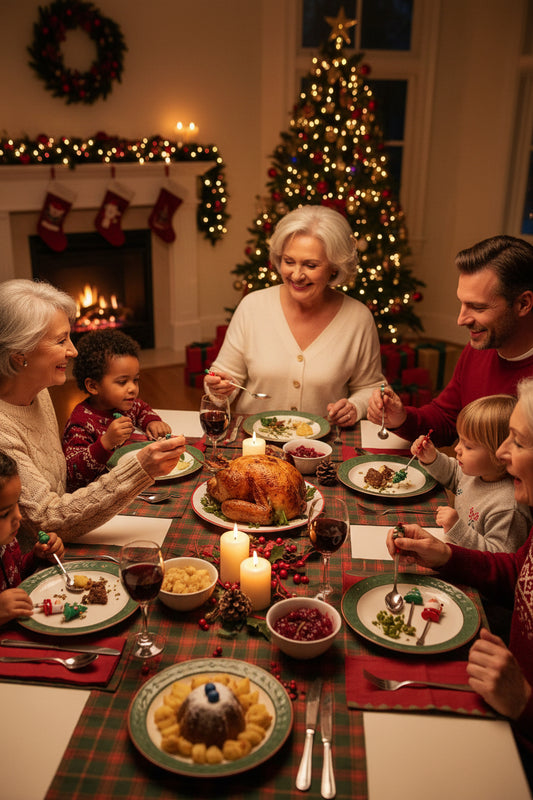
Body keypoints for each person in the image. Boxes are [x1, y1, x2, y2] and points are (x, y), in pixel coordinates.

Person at [386, 376, 533, 785]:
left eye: (517, 442)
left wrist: (523, 701)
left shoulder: (511, 508)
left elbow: (501, 556)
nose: (504, 453)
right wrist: (446, 554)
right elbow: (514, 569)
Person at [0, 279, 185, 543]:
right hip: (41, 559)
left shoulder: (37, 390)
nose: (73, 350)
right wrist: (139, 469)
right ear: (20, 354)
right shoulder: (3, 431)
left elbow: (60, 482)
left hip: (76, 515)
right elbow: (47, 520)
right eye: (61, 340)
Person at [205, 205, 384, 426]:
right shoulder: (252, 306)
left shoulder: (358, 318)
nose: (296, 275)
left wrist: (356, 407)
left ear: (334, 267)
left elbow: (371, 388)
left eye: (311, 265)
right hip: (255, 446)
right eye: (289, 262)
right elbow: (224, 378)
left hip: (322, 448)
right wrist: (220, 388)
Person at [367, 235, 533, 446]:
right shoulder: (478, 349)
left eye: (478, 307)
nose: (461, 320)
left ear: (523, 304)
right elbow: (446, 418)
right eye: (462, 304)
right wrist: (402, 419)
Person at [411, 394, 530, 552]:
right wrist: (432, 458)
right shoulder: (475, 472)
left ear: (501, 454)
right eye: (459, 440)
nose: (457, 449)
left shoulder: (508, 508)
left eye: (468, 446)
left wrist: (458, 528)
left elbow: (499, 559)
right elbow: (454, 474)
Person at [62, 329, 172, 491]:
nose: (133, 389)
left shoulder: (126, 405)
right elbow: (74, 473)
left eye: (135, 380)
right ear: (93, 386)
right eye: (122, 382)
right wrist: (106, 443)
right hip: (97, 494)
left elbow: (141, 409)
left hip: (128, 482)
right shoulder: (81, 423)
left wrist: (152, 421)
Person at [0, 450, 65, 626]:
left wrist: (37, 557)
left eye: (17, 504)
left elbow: (16, 575)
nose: (18, 516)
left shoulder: (8, 543)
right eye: (5, 513)